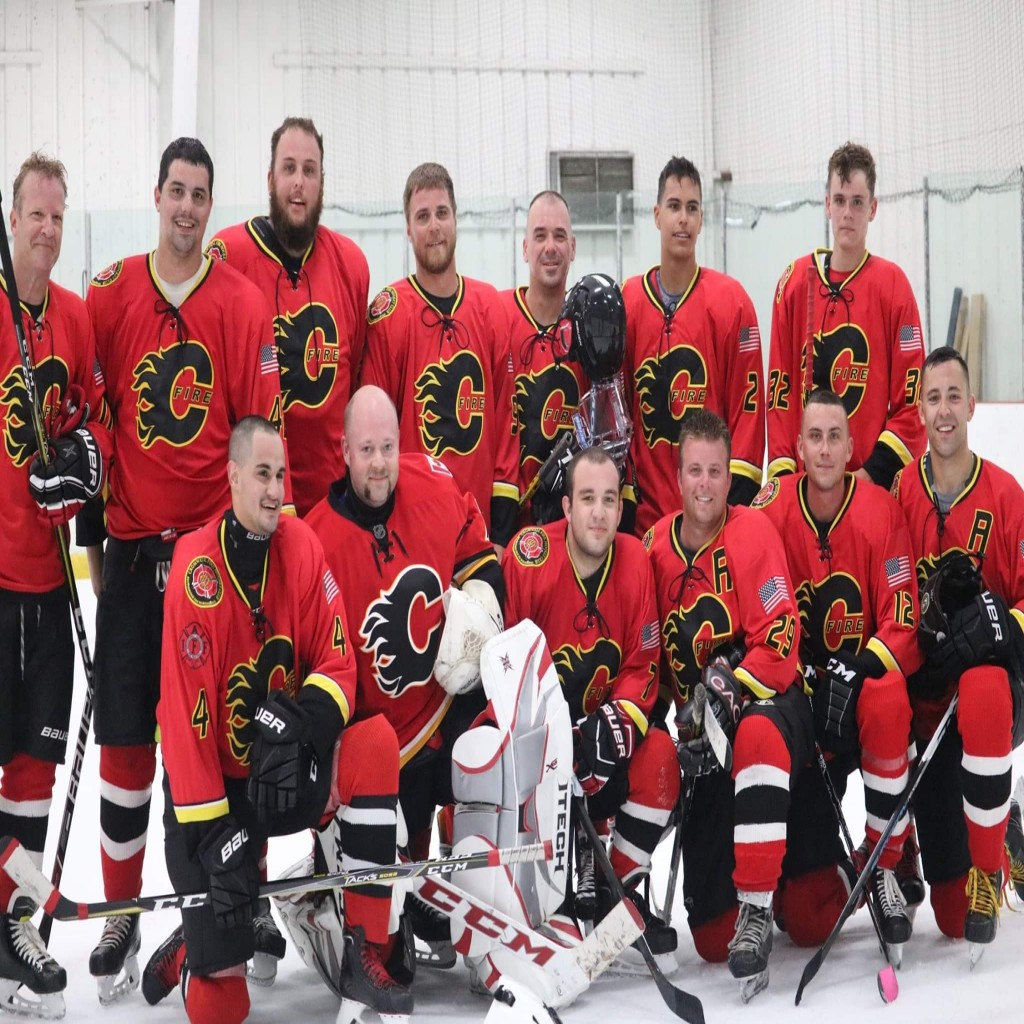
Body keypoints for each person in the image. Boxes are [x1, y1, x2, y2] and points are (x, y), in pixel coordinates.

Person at [82, 137, 291, 1003]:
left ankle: (248, 897)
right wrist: (93, 536)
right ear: (157, 194)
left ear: (211, 204)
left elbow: (261, 436)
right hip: (135, 555)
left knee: (232, 739)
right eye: (176, 191)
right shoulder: (109, 295)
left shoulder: (241, 303)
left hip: (215, 563)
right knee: (128, 742)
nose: (187, 207)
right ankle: (122, 913)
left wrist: (261, 551)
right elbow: (93, 420)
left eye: (201, 195)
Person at [152, 416, 406, 1024]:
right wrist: (216, 842)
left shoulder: (300, 545)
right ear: (233, 477)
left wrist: (301, 730)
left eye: (281, 475)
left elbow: (339, 661)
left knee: (374, 742)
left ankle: (364, 950)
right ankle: (197, 948)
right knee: (221, 1007)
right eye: (262, 474)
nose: (274, 490)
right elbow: (183, 727)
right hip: (215, 798)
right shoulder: (195, 572)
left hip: (285, 775)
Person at [304, 384, 505, 965]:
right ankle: (342, 878)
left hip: (441, 714)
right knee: (393, 962)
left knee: (499, 749)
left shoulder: (435, 486)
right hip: (375, 754)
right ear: (345, 452)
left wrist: (481, 605)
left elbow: (480, 557)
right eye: (366, 450)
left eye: (388, 448)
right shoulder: (315, 542)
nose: (379, 464)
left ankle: (485, 915)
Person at [644, 409, 812, 1001]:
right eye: (695, 471)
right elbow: (646, 656)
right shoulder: (653, 548)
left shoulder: (753, 532)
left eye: (716, 471)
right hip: (703, 744)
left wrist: (730, 688)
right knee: (712, 940)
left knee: (813, 917)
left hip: (771, 713)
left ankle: (760, 907)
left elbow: (783, 638)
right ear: (678, 475)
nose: (706, 484)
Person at [0, 152, 112, 1020]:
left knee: (34, 767)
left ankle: (13, 933)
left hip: (49, 581)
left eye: (57, 216)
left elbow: (99, 418)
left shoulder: (73, 319)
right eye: (34, 214)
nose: (46, 229)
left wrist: (83, 454)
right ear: (12, 220)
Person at [750, 388, 920, 953]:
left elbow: (902, 617)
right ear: (798, 447)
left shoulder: (881, 511)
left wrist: (857, 668)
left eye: (835, 438)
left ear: (852, 448)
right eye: (815, 438)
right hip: (804, 714)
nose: (825, 450)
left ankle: (886, 861)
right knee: (804, 920)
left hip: (861, 705)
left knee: (889, 693)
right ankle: (859, 865)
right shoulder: (769, 511)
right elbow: (753, 608)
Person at [502, 446, 680, 961]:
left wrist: (611, 726)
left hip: (600, 752)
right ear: (566, 506)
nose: (598, 512)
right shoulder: (529, 556)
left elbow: (643, 662)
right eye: (587, 499)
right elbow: (505, 663)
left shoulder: (635, 561)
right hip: (536, 762)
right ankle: (543, 890)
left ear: (620, 509)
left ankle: (613, 888)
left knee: (660, 757)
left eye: (608, 500)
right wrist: (553, 740)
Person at [892, 345, 1024, 962]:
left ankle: (990, 864)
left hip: (991, 704)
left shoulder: (1006, 495)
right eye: (932, 398)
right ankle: (997, 825)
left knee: (984, 684)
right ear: (919, 410)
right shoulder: (898, 494)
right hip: (929, 711)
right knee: (948, 920)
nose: (944, 410)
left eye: (953, 396)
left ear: (972, 405)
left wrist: (998, 625)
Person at [205, 117, 370, 516]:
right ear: (270, 179)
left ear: (322, 184)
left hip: (333, 504)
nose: (299, 182)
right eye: (289, 168)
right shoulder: (228, 256)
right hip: (252, 506)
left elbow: (355, 383)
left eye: (309, 171)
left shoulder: (350, 265)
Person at [360, 162, 519, 550]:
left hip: (479, 533)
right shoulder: (388, 313)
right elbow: (374, 429)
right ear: (408, 228)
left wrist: (500, 532)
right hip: (409, 531)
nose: (434, 226)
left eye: (442, 213)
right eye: (423, 216)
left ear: (456, 220)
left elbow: (506, 425)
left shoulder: (490, 307)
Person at [767, 141, 925, 489]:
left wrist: (867, 479)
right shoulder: (794, 283)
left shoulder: (893, 287)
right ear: (827, 204)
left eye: (857, 202)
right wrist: (787, 484)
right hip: (804, 488)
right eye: (839, 200)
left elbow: (912, 403)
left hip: (870, 487)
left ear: (873, 208)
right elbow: (780, 394)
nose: (847, 213)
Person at [622, 155, 765, 537]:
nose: (683, 218)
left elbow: (748, 416)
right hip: (646, 524)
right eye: (673, 206)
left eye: (692, 208)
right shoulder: (630, 302)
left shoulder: (732, 303)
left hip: (712, 522)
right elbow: (619, 414)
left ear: (702, 219)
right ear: (656, 216)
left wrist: (728, 511)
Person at [502, 190, 587, 525]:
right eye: (540, 236)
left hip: (570, 527)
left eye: (559, 236)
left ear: (573, 247)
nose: (550, 247)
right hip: (506, 523)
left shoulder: (588, 331)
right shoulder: (496, 318)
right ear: (525, 248)